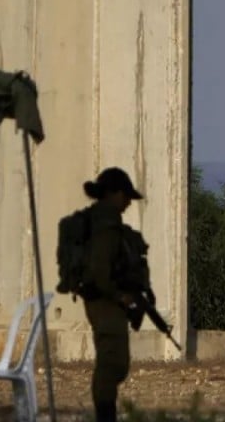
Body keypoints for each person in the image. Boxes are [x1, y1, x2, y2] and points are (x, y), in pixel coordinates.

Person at [79, 167, 145, 422]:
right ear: (113, 194)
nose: (128, 202)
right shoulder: (105, 227)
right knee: (111, 363)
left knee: (116, 362)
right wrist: (119, 296)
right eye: (125, 195)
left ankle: (106, 413)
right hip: (104, 300)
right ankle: (104, 416)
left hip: (106, 300)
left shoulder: (106, 223)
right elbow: (99, 272)